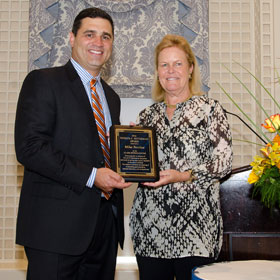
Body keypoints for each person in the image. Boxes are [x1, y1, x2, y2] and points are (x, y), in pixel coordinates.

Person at [14, 7, 131, 280]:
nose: (98, 43)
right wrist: (92, 176)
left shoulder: (111, 97)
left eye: (106, 37)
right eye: (89, 34)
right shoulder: (43, 81)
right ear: (71, 37)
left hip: (104, 229)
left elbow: (96, 150)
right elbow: (30, 147)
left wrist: (127, 147)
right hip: (55, 229)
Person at [129, 34, 233, 280]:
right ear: (157, 71)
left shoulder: (210, 109)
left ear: (190, 69)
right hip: (150, 231)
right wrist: (129, 152)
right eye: (164, 65)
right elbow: (140, 169)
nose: (170, 70)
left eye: (178, 63)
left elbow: (223, 163)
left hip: (197, 231)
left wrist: (184, 175)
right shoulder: (146, 116)